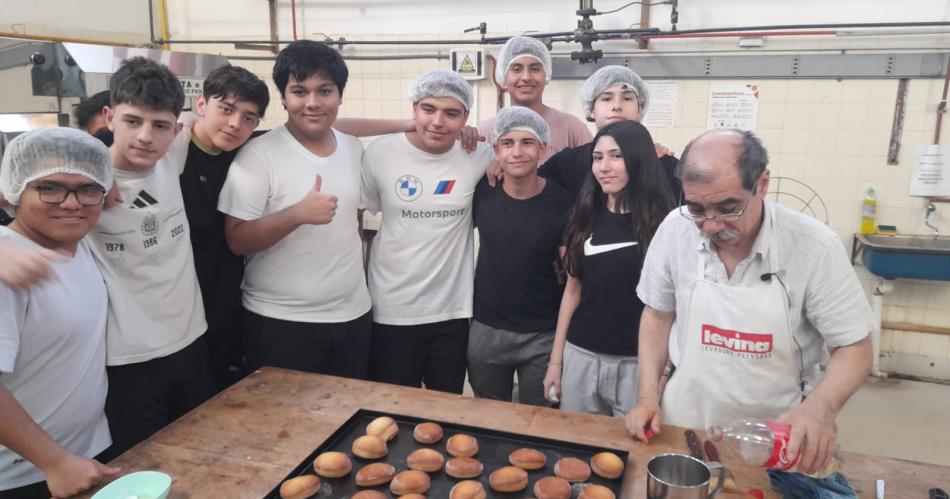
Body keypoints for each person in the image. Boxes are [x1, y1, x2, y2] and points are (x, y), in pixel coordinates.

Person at [624, 129, 873, 476]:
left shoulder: (814, 246)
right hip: (684, 428)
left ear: (762, 183)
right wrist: (648, 395)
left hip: (778, 438)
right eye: (696, 208)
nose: (710, 225)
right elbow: (657, 315)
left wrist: (822, 408)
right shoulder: (675, 229)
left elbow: (854, 347)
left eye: (728, 208)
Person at [218, 40, 373, 379]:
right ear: (285, 98)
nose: (313, 103)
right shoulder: (259, 154)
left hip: (352, 316)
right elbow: (236, 239)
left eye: (325, 91)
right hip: (280, 322)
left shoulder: (352, 147)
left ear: (340, 96)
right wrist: (297, 215)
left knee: (347, 422)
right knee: (283, 427)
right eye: (300, 91)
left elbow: (354, 221)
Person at [95, 57, 215, 459]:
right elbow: (15, 191)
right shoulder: (81, 179)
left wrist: (406, 125)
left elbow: (304, 127)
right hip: (128, 357)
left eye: (160, 125)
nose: (146, 136)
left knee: (199, 457)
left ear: (176, 130)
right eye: (132, 121)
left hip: (192, 340)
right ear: (109, 117)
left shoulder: (171, 156)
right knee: (142, 466)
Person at [0, 128, 120, 499]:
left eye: (87, 189)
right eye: (49, 188)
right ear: (16, 190)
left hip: (87, 452)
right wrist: (54, 462)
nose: (71, 203)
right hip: (26, 475)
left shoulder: (80, 244)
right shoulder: (10, 270)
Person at [362, 69, 493, 394]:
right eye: (428, 109)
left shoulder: (479, 155)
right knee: (392, 408)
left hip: (451, 310)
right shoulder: (381, 153)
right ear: (414, 109)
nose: (438, 121)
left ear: (466, 117)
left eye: (451, 113)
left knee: (445, 409)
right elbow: (359, 219)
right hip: (391, 307)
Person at [543, 120, 675, 417]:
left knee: (629, 457)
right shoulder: (585, 214)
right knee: (575, 455)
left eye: (616, 156)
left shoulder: (666, 225)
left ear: (639, 158)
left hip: (637, 366)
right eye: (598, 157)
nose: (604, 167)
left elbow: (671, 308)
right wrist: (556, 362)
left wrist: (663, 373)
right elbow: (572, 290)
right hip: (582, 357)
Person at [467, 106, 572, 406]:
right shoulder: (483, 193)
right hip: (487, 329)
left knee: (537, 423)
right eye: (508, 143)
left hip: (543, 334)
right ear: (496, 150)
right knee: (487, 419)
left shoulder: (562, 201)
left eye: (527, 143)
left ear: (542, 148)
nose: (517, 152)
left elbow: (571, 273)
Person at [180, 65, 269, 390]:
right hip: (176, 310)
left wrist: (407, 124)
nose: (236, 124)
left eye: (249, 117)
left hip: (228, 306)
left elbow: (316, 127)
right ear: (201, 105)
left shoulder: (246, 152)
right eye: (226, 109)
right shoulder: (171, 149)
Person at [539, 65, 680, 200]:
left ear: (641, 107)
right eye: (606, 98)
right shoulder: (566, 164)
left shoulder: (666, 167)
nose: (617, 106)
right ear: (591, 109)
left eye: (627, 98)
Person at [478, 36, 592, 162]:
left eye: (535, 69)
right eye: (517, 69)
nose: (526, 77)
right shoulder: (485, 132)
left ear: (546, 75)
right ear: (503, 77)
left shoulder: (572, 129)